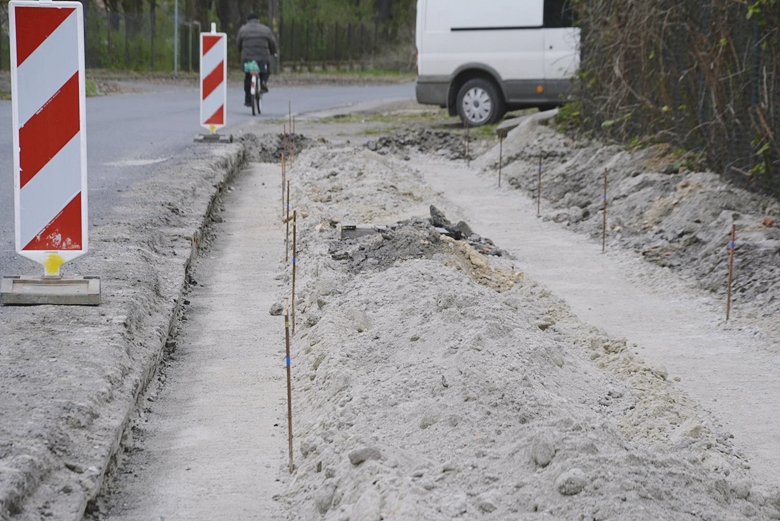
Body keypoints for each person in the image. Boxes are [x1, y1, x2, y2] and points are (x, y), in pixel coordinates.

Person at [236, 13, 277, 107]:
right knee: (265, 71)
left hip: (248, 58)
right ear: (258, 20)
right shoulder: (265, 30)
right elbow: (272, 43)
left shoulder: (243, 30)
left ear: (247, 20)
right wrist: (273, 52)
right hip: (262, 58)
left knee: (248, 77)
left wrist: (241, 51)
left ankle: (248, 100)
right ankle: (263, 82)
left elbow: (238, 43)